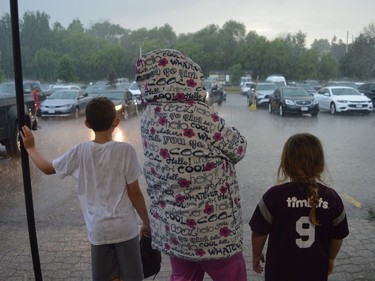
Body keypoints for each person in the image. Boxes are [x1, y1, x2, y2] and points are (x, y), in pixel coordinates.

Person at [135, 49, 248, 281]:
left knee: (183, 276)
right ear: (188, 77)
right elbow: (238, 148)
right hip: (214, 231)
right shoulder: (200, 113)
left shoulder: (148, 116)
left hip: (174, 228)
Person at [20, 97, 151, 281]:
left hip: (99, 230)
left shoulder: (80, 151)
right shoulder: (126, 151)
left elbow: (48, 168)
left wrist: (31, 148)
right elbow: (135, 193)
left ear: (87, 123)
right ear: (116, 121)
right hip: (125, 229)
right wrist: (146, 222)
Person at [249, 133, 349, 281]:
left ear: (286, 164)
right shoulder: (332, 198)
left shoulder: (273, 196)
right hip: (316, 271)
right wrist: (331, 258)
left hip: (279, 272)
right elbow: (338, 236)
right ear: (320, 164)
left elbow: (259, 232)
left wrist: (256, 254)